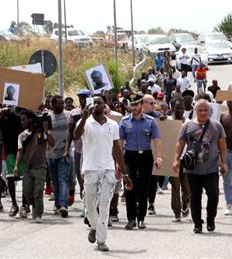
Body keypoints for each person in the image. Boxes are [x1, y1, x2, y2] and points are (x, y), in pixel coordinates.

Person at [74, 95, 132, 252]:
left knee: (104, 205)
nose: (97, 105)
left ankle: (101, 240)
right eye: (94, 103)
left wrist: (125, 173)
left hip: (108, 169)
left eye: (100, 103)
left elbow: (117, 149)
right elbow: (76, 136)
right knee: (90, 205)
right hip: (90, 169)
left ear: (105, 105)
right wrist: (84, 118)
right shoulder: (85, 122)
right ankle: (94, 226)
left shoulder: (113, 125)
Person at [173, 99, 228, 233]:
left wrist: (223, 162)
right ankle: (197, 223)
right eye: (200, 110)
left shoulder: (217, 126)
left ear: (210, 111)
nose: (203, 113)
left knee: (213, 195)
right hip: (192, 169)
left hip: (211, 169)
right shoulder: (187, 126)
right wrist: (176, 160)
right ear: (195, 111)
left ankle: (210, 219)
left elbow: (222, 145)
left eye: (205, 110)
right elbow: (180, 143)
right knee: (195, 197)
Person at [119, 93, 162, 230]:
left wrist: (158, 157)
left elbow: (157, 141)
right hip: (129, 156)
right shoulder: (124, 121)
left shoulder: (150, 121)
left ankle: (141, 218)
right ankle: (131, 218)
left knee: (144, 187)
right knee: (129, 186)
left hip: (145, 156)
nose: (134, 108)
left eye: (136, 105)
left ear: (141, 105)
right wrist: (117, 163)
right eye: (131, 105)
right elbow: (119, 144)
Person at [14, 110, 55, 223]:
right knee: (27, 192)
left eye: (24, 119)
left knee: (38, 191)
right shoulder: (22, 136)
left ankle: (38, 213)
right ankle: (35, 206)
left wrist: (46, 130)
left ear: (31, 120)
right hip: (27, 168)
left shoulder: (40, 133)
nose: (21, 122)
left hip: (40, 167)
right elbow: (20, 152)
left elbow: (52, 142)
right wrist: (16, 166)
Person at [47, 96, 71, 217]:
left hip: (64, 153)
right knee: (54, 181)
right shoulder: (48, 117)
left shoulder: (68, 115)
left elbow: (71, 133)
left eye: (63, 103)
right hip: (50, 154)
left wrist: (67, 149)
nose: (62, 105)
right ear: (52, 104)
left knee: (63, 179)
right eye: (59, 103)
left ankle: (63, 205)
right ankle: (58, 204)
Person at [168, 97, 191, 222]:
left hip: (186, 159)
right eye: (177, 108)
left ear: (184, 109)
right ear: (173, 108)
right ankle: (177, 212)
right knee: (175, 187)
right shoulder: (168, 121)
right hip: (173, 159)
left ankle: (185, 204)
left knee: (187, 187)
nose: (179, 110)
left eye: (181, 108)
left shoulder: (189, 123)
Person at [68, 89, 91, 202]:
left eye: (85, 97)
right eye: (80, 97)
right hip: (79, 150)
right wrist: (66, 149)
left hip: (92, 150)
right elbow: (70, 132)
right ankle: (84, 200)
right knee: (80, 177)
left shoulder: (95, 111)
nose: (82, 99)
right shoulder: (74, 113)